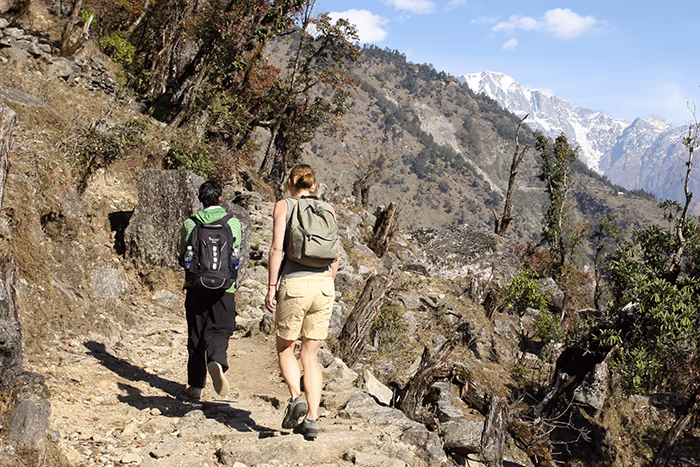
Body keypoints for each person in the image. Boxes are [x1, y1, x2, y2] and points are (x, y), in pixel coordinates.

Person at [266, 165, 339, 440]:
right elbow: (336, 253)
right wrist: (327, 278)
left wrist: (272, 287)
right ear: (314, 185)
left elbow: (276, 248)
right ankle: (312, 418)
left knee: (286, 348)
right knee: (311, 355)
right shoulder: (328, 209)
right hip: (324, 286)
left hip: (294, 283)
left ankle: (296, 396)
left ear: (289, 182)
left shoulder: (284, 205)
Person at [178, 180, 242, 400]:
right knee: (221, 328)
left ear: (200, 199)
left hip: (196, 287)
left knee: (196, 334)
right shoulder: (232, 223)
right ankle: (216, 359)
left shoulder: (190, 224)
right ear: (220, 198)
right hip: (225, 288)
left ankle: (195, 386)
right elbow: (236, 255)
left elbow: (182, 256)